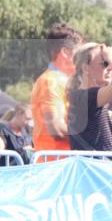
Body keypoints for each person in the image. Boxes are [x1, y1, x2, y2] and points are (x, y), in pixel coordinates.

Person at [66, 43, 112, 152]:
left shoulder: (83, 98)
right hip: (94, 168)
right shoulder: (84, 98)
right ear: (86, 68)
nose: (110, 68)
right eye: (105, 63)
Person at [31, 23, 84, 152]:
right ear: (65, 52)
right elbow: (56, 129)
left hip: (64, 164)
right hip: (56, 166)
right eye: (80, 52)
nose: (84, 58)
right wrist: (90, 135)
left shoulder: (60, 80)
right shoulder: (50, 81)